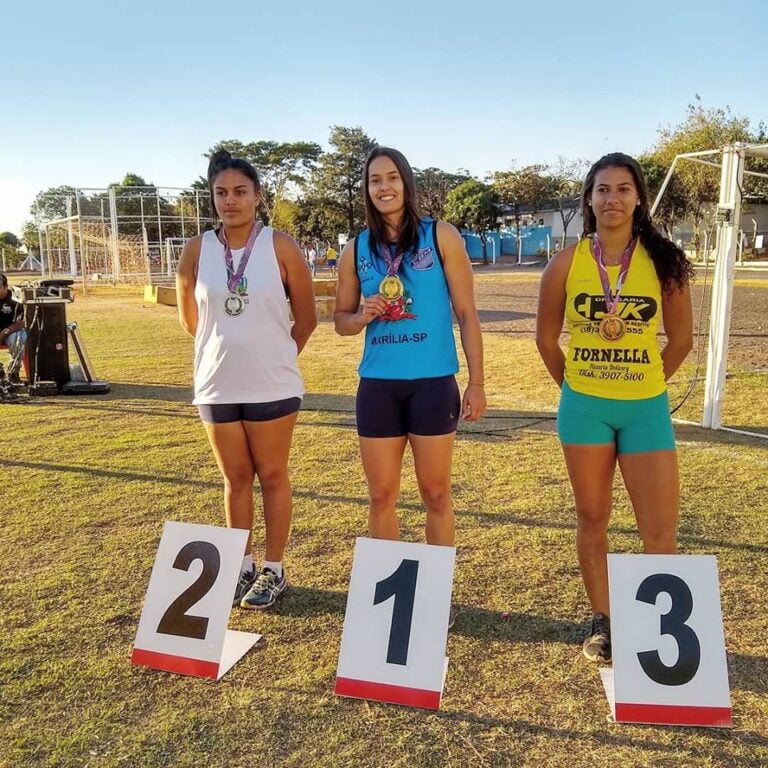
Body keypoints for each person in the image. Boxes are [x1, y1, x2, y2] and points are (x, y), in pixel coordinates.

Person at [536, 152, 693, 662]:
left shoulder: (664, 262)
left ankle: (656, 631)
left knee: (659, 529)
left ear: (639, 198)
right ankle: (603, 619)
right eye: (603, 189)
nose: (613, 199)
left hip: (645, 408)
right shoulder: (565, 263)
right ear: (589, 199)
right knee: (592, 517)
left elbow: (682, 341)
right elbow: (545, 340)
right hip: (585, 410)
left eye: (624, 189)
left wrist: (644, 380)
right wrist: (577, 389)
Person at [334, 146, 486, 628]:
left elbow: (467, 314)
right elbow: (340, 321)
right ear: (366, 190)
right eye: (375, 180)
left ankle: (437, 595)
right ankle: (389, 600)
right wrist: (361, 315)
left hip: (432, 383)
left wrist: (477, 382)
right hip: (378, 386)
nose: (384, 187)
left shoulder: (441, 236)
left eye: (392, 178)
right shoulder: (356, 249)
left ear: (406, 183)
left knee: (436, 494)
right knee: (381, 496)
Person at [176, 149, 317, 610]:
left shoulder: (281, 246)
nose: (230, 201)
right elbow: (191, 321)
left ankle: (274, 568)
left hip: (272, 385)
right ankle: (243, 566)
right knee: (235, 479)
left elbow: (307, 319)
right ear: (212, 197)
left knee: (272, 476)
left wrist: (274, 357)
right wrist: (227, 353)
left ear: (257, 195)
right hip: (216, 384)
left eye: (240, 191)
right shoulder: (196, 250)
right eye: (221, 193)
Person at [0, 272, 26, 382]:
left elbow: (21, 322)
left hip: (11, 331)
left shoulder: (16, 299)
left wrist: (4, 333)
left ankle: (13, 372)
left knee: (20, 338)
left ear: (6, 286)